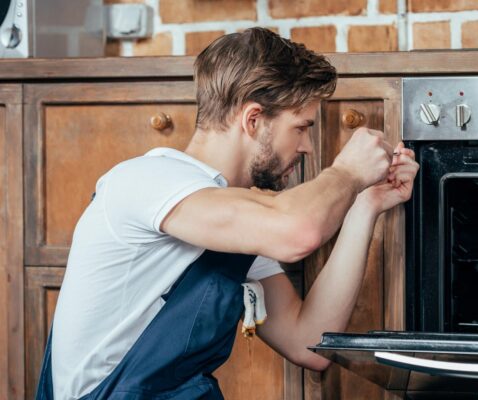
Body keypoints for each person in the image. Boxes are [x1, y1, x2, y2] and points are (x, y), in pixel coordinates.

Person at [37, 27, 419, 400]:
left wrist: (364, 205)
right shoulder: (148, 180)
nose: (306, 147)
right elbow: (297, 231)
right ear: (253, 120)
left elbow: (308, 343)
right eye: (301, 127)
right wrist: (348, 173)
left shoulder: (238, 221)